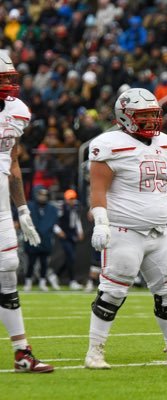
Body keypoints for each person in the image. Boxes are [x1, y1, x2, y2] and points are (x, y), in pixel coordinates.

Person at [85, 87, 167, 369]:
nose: (152, 120)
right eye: (144, 115)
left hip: (160, 232)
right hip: (124, 231)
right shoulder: (109, 144)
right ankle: (95, 351)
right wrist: (101, 223)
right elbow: (98, 189)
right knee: (113, 292)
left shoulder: (165, 143)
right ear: (125, 117)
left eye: (154, 114)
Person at [0, 50, 53, 372]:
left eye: (9, 79)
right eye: (2, 80)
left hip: (2, 203)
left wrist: (22, 209)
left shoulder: (17, 111)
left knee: (8, 268)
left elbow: (14, 160)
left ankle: (22, 352)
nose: (9, 86)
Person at [23, 186, 59, 292]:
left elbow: (52, 223)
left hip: (45, 240)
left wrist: (44, 231)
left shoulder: (52, 209)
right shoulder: (30, 206)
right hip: (33, 239)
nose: (42, 197)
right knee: (31, 262)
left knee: (44, 263)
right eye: (40, 195)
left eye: (44, 195)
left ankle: (42, 282)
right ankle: (28, 282)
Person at [48, 189, 84, 291]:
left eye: (73, 198)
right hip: (64, 234)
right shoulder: (61, 208)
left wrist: (80, 231)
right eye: (70, 199)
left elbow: (77, 220)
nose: (72, 201)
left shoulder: (76, 208)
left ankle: (55, 275)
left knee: (70, 258)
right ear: (66, 199)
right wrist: (58, 231)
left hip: (72, 234)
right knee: (71, 257)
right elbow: (54, 220)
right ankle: (72, 281)